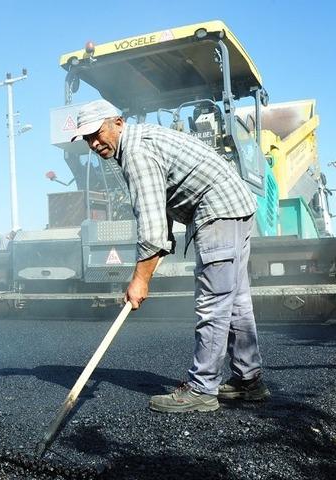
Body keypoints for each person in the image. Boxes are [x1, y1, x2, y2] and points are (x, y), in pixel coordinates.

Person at [71, 99, 270, 413]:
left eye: (97, 132)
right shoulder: (142, 140)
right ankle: (249, 380)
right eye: (87, 138)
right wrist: (159, 245)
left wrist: (140, 280)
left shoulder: (134, 153)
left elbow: (150, 227)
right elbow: (160, 214)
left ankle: (202, 388)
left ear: (118, 122)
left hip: (218, 211)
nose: (94, 143)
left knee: (214, 301)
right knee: (236, 301)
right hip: (235, 207)